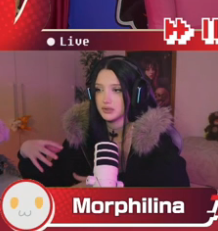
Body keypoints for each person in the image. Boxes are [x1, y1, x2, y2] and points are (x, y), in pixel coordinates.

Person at [17, 56, 189, 188]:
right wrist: (26, 152)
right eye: (99, 90)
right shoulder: (82, 135)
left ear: (137, 93)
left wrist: (113, 185)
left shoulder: (155, 139)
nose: (105, 99)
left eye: (116, 90)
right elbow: (53, 182)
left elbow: (178, 189)